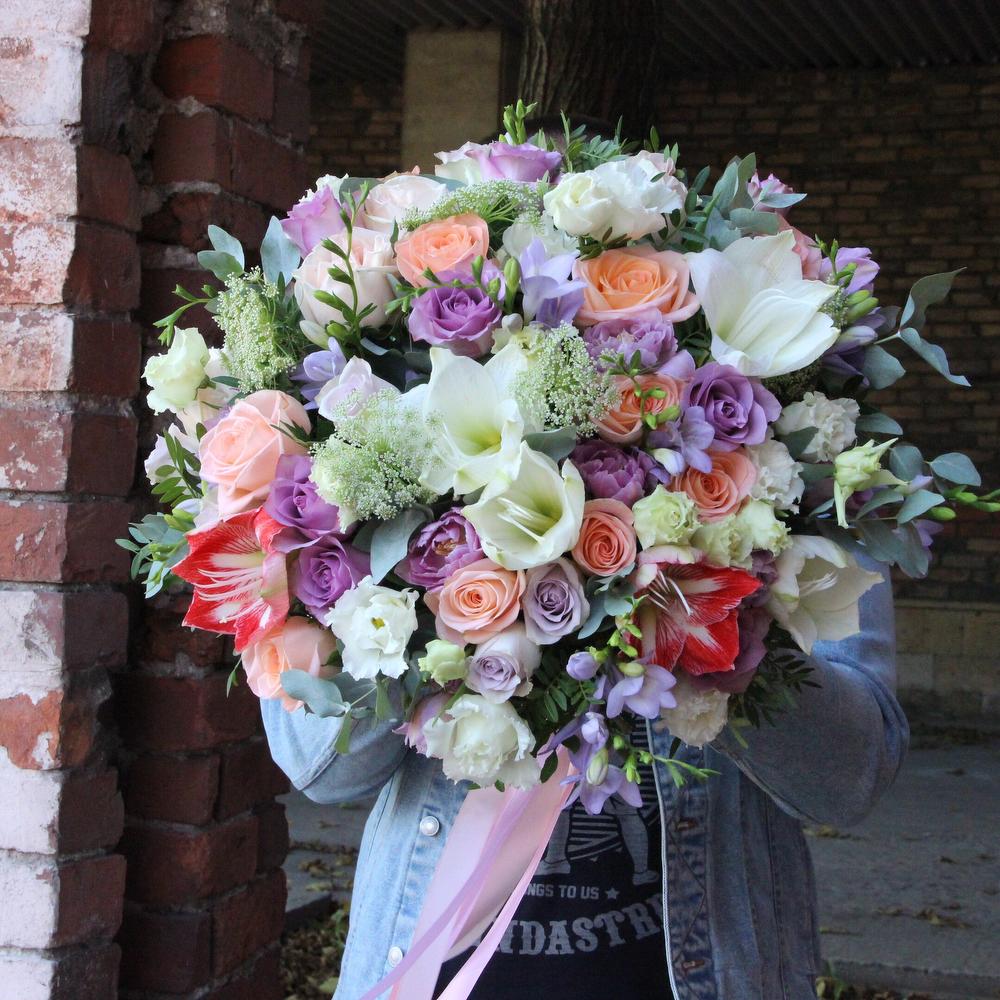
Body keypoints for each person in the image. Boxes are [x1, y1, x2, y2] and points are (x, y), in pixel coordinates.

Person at [262, 556, 906, 1000]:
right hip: (436, 970)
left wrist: (711, 618)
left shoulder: (785, 442)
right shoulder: (390, 414)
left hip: (704, 970)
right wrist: (423, 584)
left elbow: (854, 774)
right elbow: (318, 766)